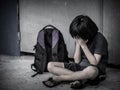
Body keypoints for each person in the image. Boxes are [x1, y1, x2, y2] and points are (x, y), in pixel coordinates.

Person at [42, 15, 108, 89]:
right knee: (50, 65)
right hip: (80, 67)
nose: (76, 38)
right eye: (75, 36)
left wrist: (83, 45)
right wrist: (78, 44)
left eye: (78, 36)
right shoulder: (79, 38)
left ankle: (61, 78)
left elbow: (94, 62)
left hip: (94, 69)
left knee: (91, 71)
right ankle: (80, 78)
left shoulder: (100, 39)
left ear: (87, 33)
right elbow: (77, 61)